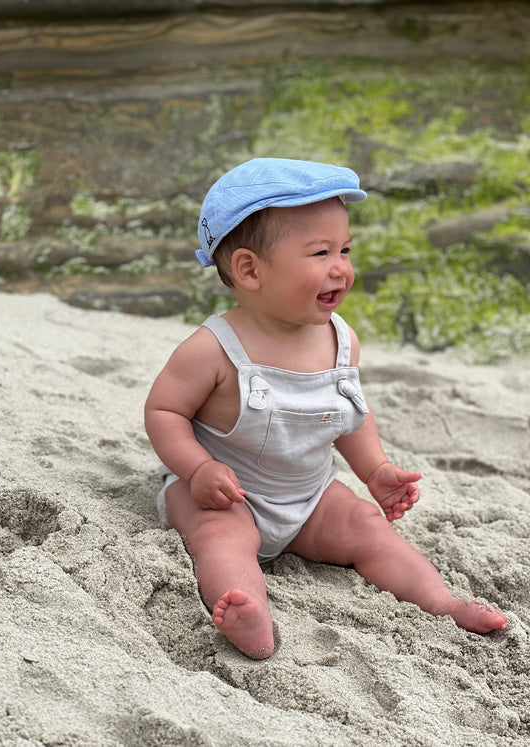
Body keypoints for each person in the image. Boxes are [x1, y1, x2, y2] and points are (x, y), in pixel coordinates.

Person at [144, 158, 508, 659]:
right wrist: (198, 468)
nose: (341, 267)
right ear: (249, 269)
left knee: (366, 527)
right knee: (220, 539)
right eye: (320, 252)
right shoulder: (213, 348)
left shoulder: (340, 341)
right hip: (227, 494)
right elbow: (164, 412)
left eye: (345, 249)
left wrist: (375, 468)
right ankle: (250, 615)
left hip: (309, 496)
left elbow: (347, 415)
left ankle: (441, 601)